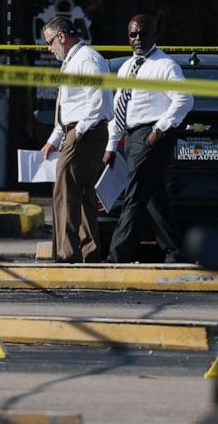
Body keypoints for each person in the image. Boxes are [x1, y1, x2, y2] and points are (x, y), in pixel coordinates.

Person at [103, 14, 193, 263]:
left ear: (154, 34)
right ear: (128, 37)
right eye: (133, 34)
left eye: (143, 33)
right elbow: (119, 107)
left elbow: (184, 99)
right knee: (153, 197)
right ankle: (175, 252)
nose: (138, 39)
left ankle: (117, 254)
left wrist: (160, 128)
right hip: (131, 137)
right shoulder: (126, 67)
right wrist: (112, 145)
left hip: (151, 136)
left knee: (134, 195)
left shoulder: (165, 65)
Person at [40, 16, 112, 263]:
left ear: (61, 36)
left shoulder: (87, 59)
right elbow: (71, 106)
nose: (49, 49)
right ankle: (89, 251)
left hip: (86, 132)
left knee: (65, 192)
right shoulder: (74, 61)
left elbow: (98, 99)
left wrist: (78, 132)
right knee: (82, 194)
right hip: (79, 130)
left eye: (49, 42)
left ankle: (66, 253)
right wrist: (54, 138)